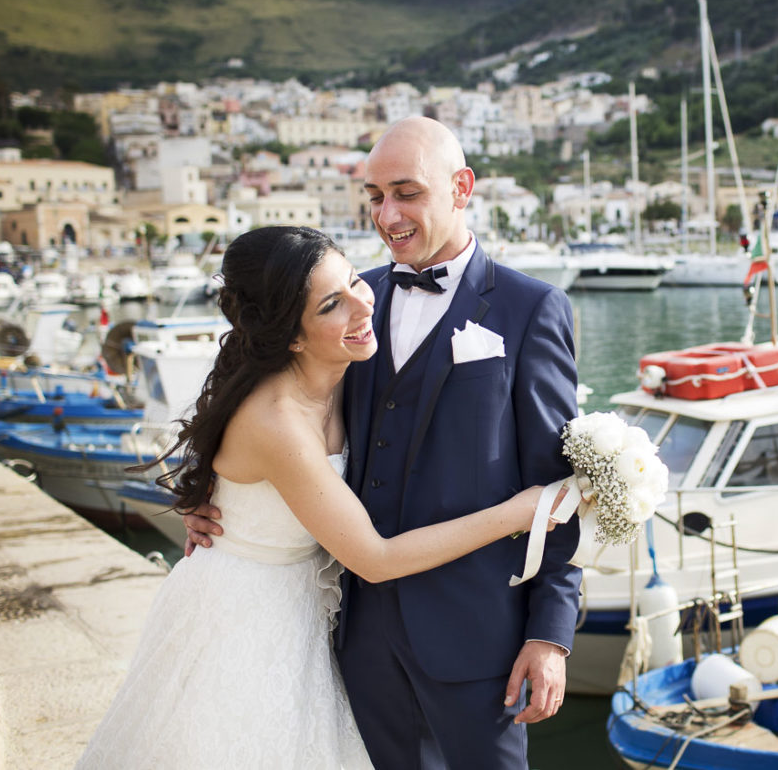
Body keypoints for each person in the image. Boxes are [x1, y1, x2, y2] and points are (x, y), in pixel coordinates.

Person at [77, 226, 554, 769]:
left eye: (354, 280)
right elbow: (375, 559)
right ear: (292, 337)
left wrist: (206, 488)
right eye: (333, 303)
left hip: (310, 611)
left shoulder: (340, 368)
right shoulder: (278, 420)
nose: (362, 304)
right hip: (246, 619)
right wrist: (521, 511)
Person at [186, 117, 581, 769]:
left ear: (461, 188)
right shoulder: (344, 301)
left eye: (406, 192)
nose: (387, 214)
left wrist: (550, 636)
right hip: (357, 636)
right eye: (373, 196)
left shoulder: (530, 309)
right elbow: (263, 403)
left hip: (481, 640)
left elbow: (558, 489)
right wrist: (209, 496)